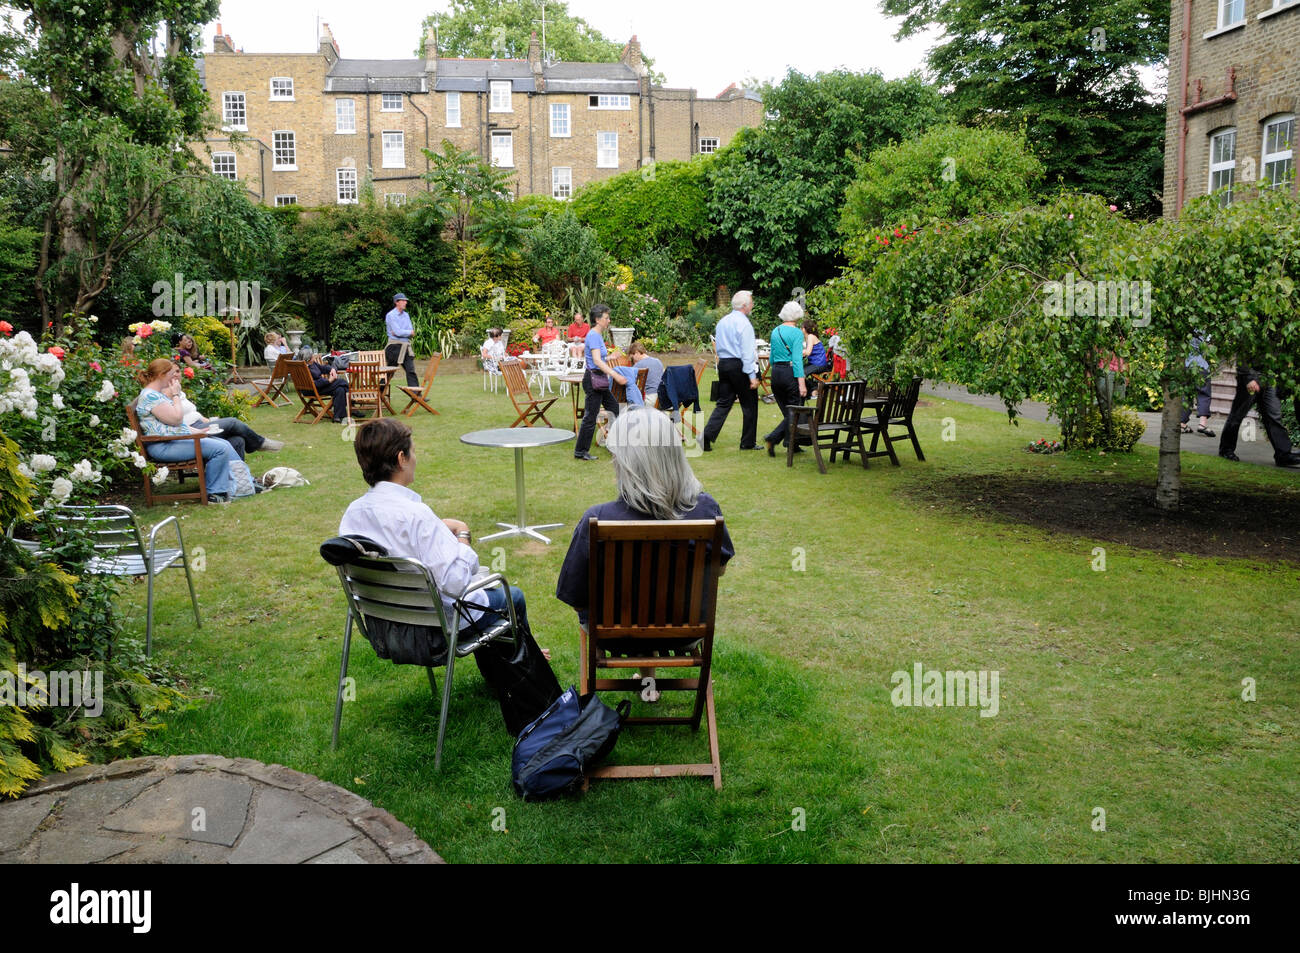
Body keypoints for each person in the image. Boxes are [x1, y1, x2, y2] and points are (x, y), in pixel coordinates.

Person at [339, 417, 548, 653]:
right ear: (401, 459)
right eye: (413, 452)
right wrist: (462, 536)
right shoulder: (416, 515)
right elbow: (455, 583)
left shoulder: (352, 514)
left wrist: (436, 528)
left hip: (384, 626)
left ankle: (522, 661)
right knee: (512, 597)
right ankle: (529, 665)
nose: (415, 458)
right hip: (434, 629)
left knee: (483, 598)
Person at [557, 409, 734, 683]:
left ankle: (644, 676)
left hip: (615, 637)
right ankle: (648, 679)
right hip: (686, 632)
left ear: (626, 462)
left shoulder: (598, 519)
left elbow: (575, 595)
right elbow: (719, 569)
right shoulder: (706, 509)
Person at [133, 358, 236, 502]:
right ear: (162, 374)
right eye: (171, 373)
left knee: (224, 444)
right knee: (219, 449)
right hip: (162, 447)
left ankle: (241, 483)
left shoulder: (155, 393)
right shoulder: (150, 396)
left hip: (170, 441)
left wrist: (196, 431)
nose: (173, 376)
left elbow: (171, 425)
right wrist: (175, 395)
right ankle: (215, 493)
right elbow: (176, 419)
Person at [702, 290, 760, 452]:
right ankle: (748, 442)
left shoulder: (723, 321)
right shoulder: (744, 324)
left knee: (724, 402)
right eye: (751, 303)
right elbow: (747, 353)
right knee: (749, 404)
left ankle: (706, 436)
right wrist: (752, 375)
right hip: (738, 365)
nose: (752, 305)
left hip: (724, 364)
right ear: (744, 306)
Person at [1219, 362, 1300, 467]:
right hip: (1252, 375)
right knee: (1237, 414)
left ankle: (1283, 455)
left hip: (1271, 378)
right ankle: (1226, 449)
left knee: (1274, 416)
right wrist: (1248, 378)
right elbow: (1243, 356)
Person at [574, 304, 626, 461]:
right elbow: (596, 360)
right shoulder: (594, 335)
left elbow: (597, 358)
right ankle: (581, 451)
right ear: (597, 319)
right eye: (606, 318)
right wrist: (615, 375)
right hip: (594, 380)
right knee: (590, 416)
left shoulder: (597, 335)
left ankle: (615, 444)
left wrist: (610, 358)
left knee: (615, 409)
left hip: (599, 380)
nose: (609, 320)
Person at [176, 388, 283, 460]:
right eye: (174, 372)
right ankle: (259, 443)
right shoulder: (166, 394)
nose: (177, 374)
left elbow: (192, 412)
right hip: (191, 430)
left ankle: (241, 478)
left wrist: (206, 420)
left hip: (200, 423)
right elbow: (177, 419)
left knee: (237, 440)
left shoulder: (178, 392)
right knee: (232, 422)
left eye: (178, 371)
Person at [763, 301, 809, 456]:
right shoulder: (796, 333)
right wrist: (802, 384)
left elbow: (771, 359)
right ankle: (774, 438)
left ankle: (792, 443)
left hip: (776, 373)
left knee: (787, 412)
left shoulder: (775, 331)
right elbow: (797, 361)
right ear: (797, 315)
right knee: (794, 411)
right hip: (790, 374)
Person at [1179, 333, 1214, 437]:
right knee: (1204, 394)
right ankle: (1202, 425)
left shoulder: (1186, 327)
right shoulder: (1206, 329)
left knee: (1186, 394)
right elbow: (1210, 349)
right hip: (1201, 366)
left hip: (1187, 366)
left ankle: (1182, 423)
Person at [384, 292, 419, 387]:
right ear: (397, 302)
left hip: (405, 346)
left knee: (411, 370)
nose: (405, 303)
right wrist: (406, 332)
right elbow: (398, 332)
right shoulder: (391, 315)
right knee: (389, 372)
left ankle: (416, 395)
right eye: (403, 301)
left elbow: (411, 332)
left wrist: (403, 332)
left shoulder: (406, 315)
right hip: (394, 347)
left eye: (405, 301)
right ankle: (379, 393)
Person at [308, 352, 350, 422]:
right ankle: (352, 404)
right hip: (315, 389)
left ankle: (337, 416)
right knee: (341, 382)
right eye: (312, 357)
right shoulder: (306, 368)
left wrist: (332, 369)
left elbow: (323, 368)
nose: (314, 357)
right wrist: (329, 381)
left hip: (320, 386)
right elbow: (314, 384)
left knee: (340, 389)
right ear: (308, 359)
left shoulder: (313, 364)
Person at [623, 341, 664, 408]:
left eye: (632, 358)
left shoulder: (638, 365)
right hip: (661, 399)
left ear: (636, 353)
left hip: (649, 400)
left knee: (625, 407)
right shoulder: (658, 361)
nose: (632, 362)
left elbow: (626, 381)